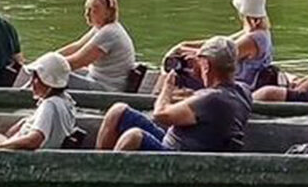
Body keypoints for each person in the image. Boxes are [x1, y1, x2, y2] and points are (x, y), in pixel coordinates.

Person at [97, 36, 254, 152]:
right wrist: (201, 69)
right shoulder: (243, 91)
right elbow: (209, 101)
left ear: (206, 65)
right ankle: (98, 162)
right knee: (118, 111)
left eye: (200, 63)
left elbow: (159, 114)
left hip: (178, 156)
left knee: (134, 136)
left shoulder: (210, 100)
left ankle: (104, 175)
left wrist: (167, 87)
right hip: (175, 142)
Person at [160, 0, 277, 92]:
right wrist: (184, 45)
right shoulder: (255, 32)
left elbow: (220, 56)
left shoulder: (253, 39)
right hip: (236, 83)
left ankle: (157, 97)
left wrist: (192, 53)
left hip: (239, 88)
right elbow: (218, 43)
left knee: (178, 77)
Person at [54, 0, 136, 92]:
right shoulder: (100, 28)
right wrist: (49, 57)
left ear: (108, 12)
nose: (87, 13)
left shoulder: (109, 33)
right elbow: (77, 46)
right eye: (87, 8)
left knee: (53, 76)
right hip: (95, 79)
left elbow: (77, 62)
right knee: (52, 69)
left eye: (94, 9)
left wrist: (49, 66)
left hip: (107, 88)